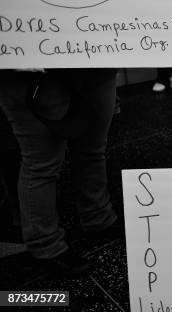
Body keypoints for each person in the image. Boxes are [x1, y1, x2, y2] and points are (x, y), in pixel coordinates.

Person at [0, 68, 120, 276]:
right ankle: (45, 245)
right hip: (30, 71)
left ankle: (98, 218)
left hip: (97, 62)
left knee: (93, 149)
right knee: (41, 162)